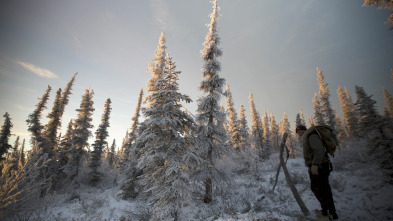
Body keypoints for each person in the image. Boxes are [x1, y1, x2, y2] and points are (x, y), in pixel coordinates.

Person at [296, 125, 338, 220]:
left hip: (320, 166)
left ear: (304, 130)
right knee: (321, 189)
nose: (299, 134)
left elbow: (319, 151)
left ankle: (330, 212)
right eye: (298, 133)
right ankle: (327, 210)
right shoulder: (308, 137)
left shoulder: (311, 136)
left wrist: (315, 165)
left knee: (320, 189)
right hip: (318, 166)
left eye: (300, 131)